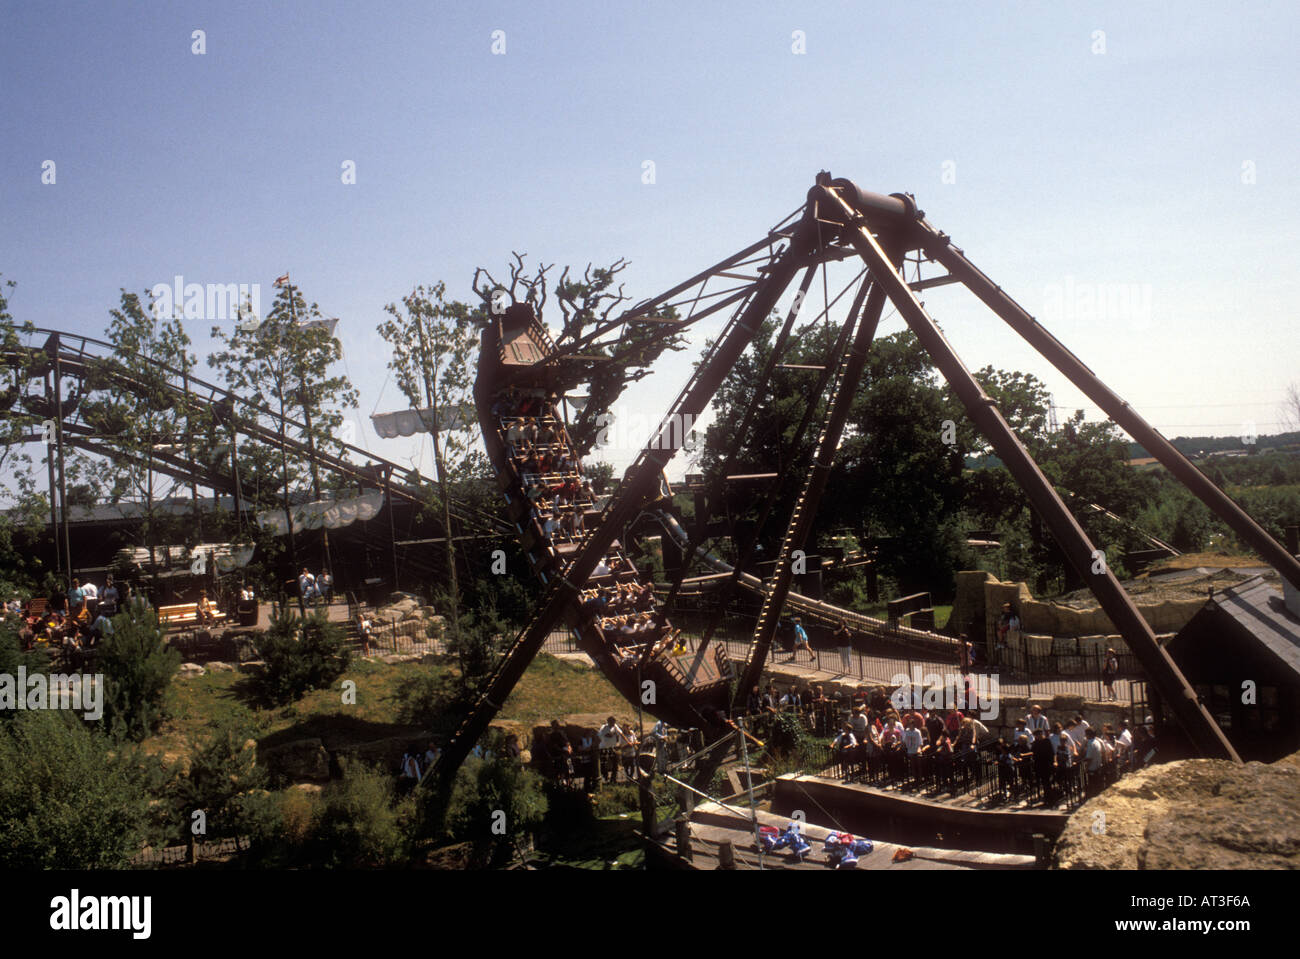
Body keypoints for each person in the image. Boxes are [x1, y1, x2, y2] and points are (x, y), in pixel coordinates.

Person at [597, 716, 625, 783]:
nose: (613, 723)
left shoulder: (615, 726)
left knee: (615, 763)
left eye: (614, 722)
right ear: (608, 722)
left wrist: (619, 742)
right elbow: (599, 735)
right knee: (604, 763)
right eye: (612, 722)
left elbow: (621, 733)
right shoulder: (604, 727)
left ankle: (613, 778)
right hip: (604, 747)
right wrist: (607, 735)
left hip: (612, 747)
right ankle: (606, 777)